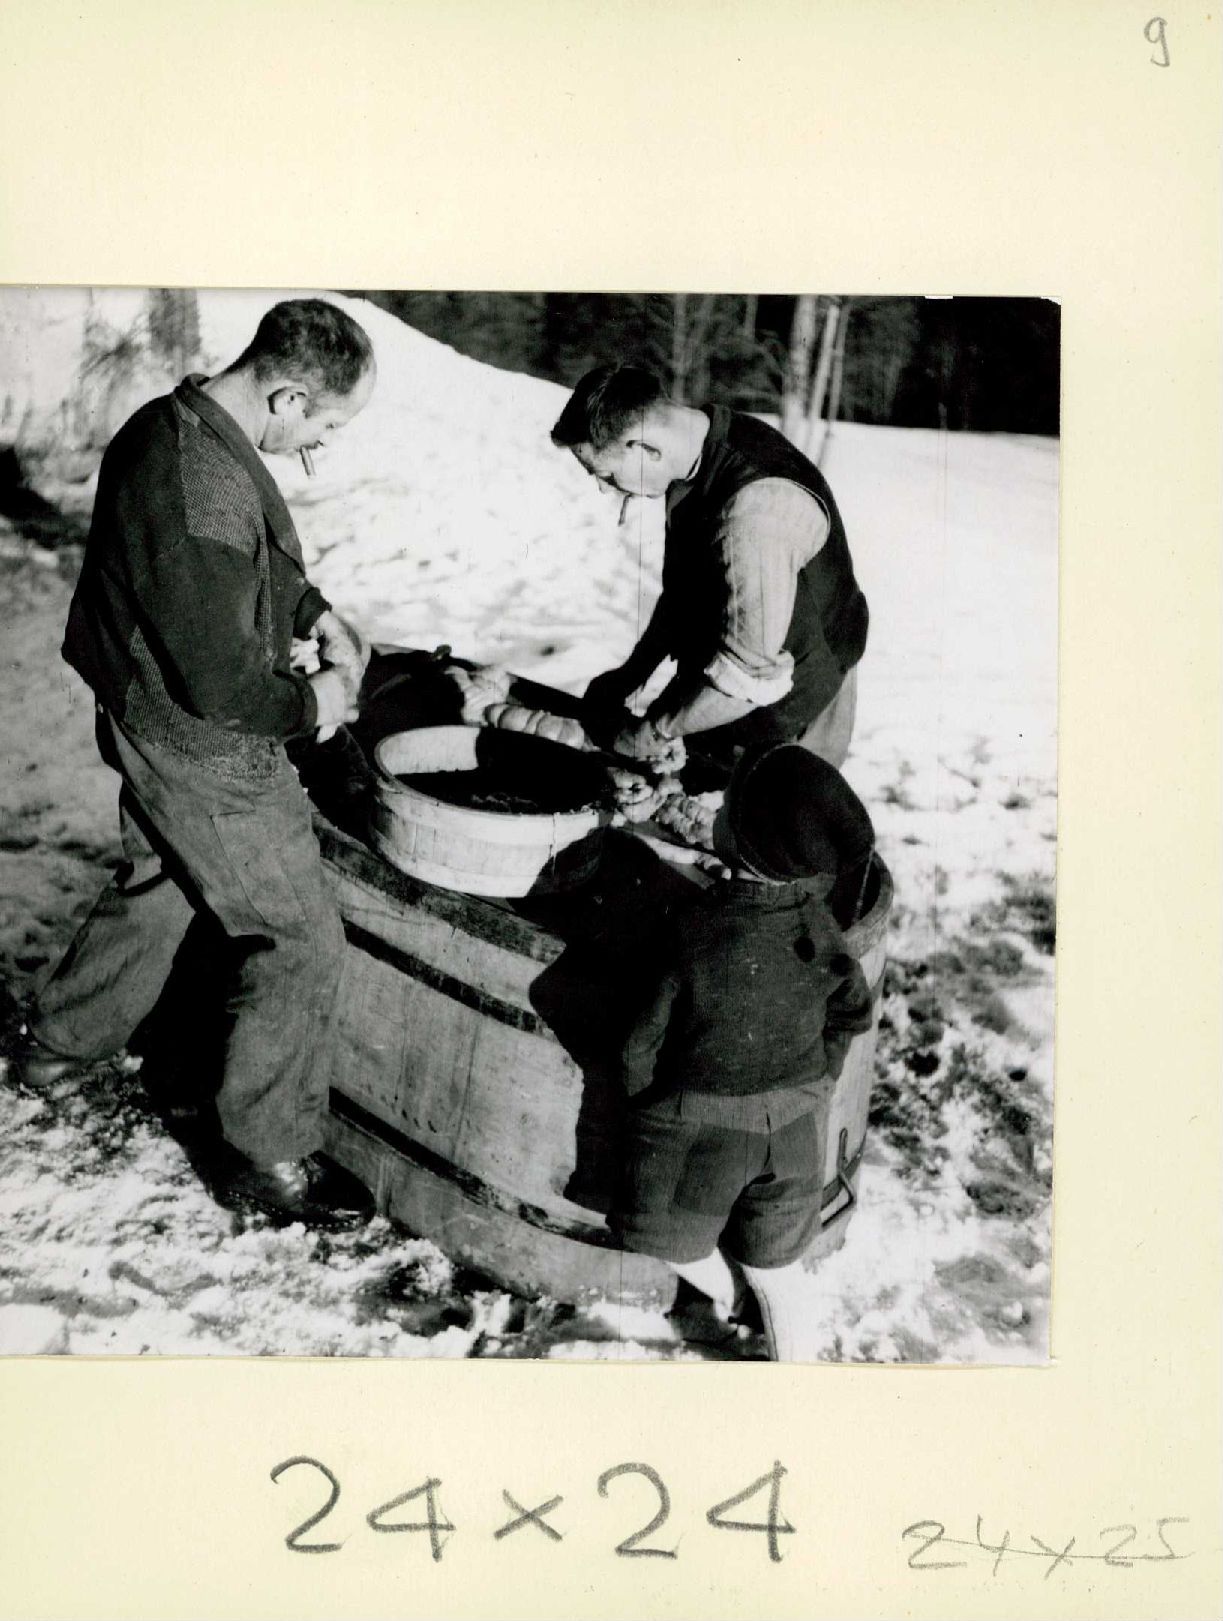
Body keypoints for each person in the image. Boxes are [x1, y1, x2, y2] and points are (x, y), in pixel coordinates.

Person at [11, 298, 378, 1229]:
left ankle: (58, 1043)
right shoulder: (201, 485)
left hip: (142, 713)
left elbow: (229, 570)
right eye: (326, 426)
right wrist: (317, 703)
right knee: (297, 937)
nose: (319, 445)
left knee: (167, 880)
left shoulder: (172, 421)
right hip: (204, 746)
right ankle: (267, 1152)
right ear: (287, 396)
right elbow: (222, 684)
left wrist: (312, 611)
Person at [608, 744, 877, 1360]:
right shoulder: (819, 926)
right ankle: (795, 1374)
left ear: (742, 840)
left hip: (697, 1129)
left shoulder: (690, 929)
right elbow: (852, 1010)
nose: (718, 814)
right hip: (796, 1128)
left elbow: (638, 1044)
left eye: (727, 808)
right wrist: (818, 1080)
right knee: (777, 1268)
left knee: (665, 1236)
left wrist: (649, 1106)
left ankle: (730, 1298)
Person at [551, 364, 869, 776]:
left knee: (764, 808)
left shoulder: (756, 515)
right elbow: (683, 592)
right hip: (730, 671)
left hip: (795, 695)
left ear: (645, 447)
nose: (602, 486)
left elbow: (748, 680)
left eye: (606, 473)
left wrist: (657, 730)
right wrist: (632, 673)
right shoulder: (692, 448)